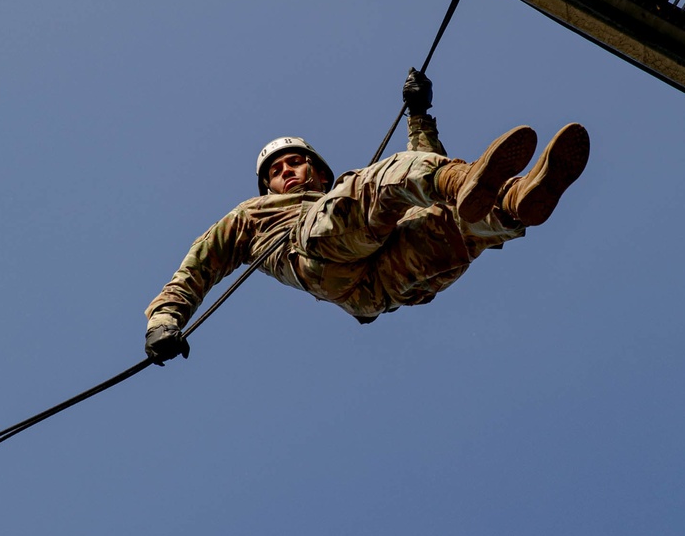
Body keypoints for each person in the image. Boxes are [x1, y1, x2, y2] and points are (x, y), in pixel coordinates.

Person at [143, 70, 590, 359]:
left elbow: (427, 171)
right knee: (379, 183)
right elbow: (196, 269)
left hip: (379, 289)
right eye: (276, 172)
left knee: (445, 218)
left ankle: (516, 204)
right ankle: (491, 193)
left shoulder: (332, 195)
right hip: (317, 254)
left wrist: (420, 115)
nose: (286, 172)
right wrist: (163, 324)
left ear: (315, 170)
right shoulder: (252, 216)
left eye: (294, 163)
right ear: (268, 188)